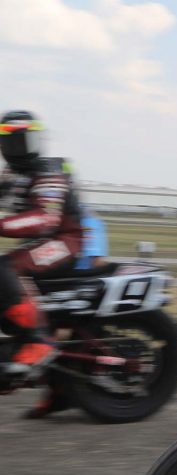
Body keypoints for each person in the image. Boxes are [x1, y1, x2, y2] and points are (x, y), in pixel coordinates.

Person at [0, 111, 83, 376]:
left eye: (25, 141)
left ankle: (38, 340)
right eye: (10, 142)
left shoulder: (49, 171)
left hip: (65, 241)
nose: (18, 149)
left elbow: (45, 218)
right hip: (39, 242)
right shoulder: (12, 173)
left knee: (5, 267)